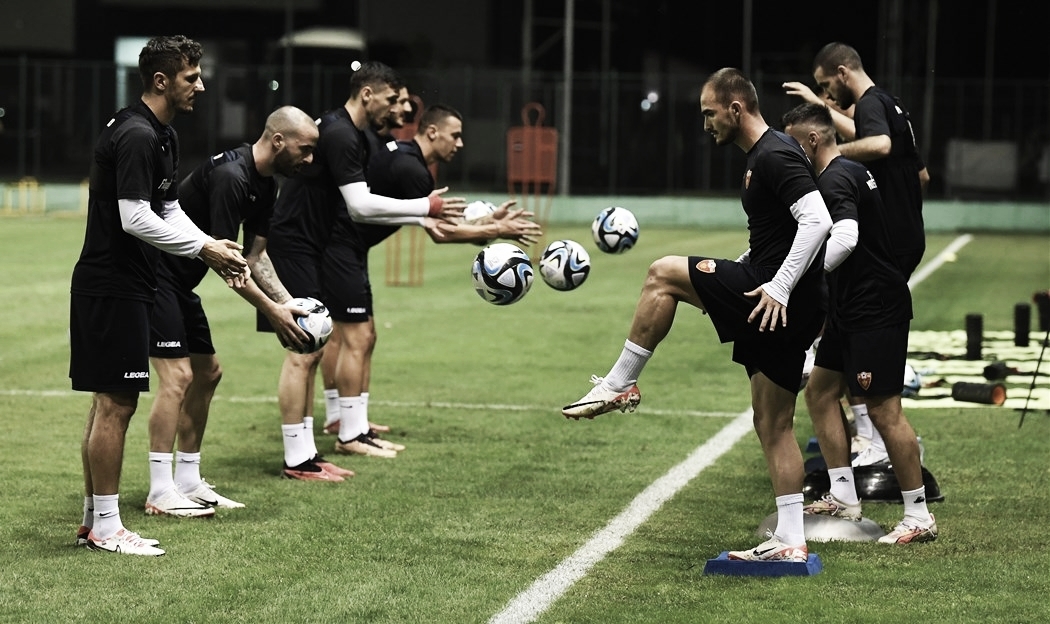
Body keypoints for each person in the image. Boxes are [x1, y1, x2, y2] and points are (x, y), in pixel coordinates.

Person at [562, 68, 831, 562]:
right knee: (772, 423)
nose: (705, 123)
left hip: (771, 300)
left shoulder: (773, 152)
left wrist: (779, 285)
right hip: (780, 302)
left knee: (662, 274)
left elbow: (819, 221)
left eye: (709, 112)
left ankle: (621, 381)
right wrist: (765, 273)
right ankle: (791, 540)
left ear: (735, 108)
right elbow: (778, 234)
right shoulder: (762, 157)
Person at [69, 35, 248, 556]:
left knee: (110, 401)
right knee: (116, 403)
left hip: (131, 284)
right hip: (111, 284)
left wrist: (206, 243)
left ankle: (93, 520)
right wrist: (205, 249)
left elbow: (166, 210)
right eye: (192, 76)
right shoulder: (137, 135)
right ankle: (105, 526)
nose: (202, 85)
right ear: (161, 80)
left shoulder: (161, 135)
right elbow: (134, 216)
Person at [263, 61, 464, 481]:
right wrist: (425, 207)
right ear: (368, 95)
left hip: (311, 244)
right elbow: (360, 205)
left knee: (315, 346)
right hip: (294, 241)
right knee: (305, 349)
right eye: (392, 99)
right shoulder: (339, 133)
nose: (399, 108)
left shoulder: (352, 134)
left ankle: (309, 452)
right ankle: (298, 459)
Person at [320, 104, 543, 457]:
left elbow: (431, 223)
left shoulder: (403, 155)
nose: (460, 143)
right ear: (433, 132)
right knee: (358, 338)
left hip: (345, 246)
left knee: (361, 336)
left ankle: (348, 422)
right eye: (455, 135)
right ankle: (350, 435)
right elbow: (440, 232)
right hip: (339, 248)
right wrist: (498, 229)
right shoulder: (413, 170)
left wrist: (487, 226)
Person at [142, 106, 323, 517]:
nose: (309, 159)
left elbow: (256, 257)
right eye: (306, 149)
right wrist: (275, 311)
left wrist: (291, 303)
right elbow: (229, 266)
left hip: (179, 283)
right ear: (279, 141)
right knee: (178, 378)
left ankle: (188, 481)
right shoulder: (231, 177)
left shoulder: (266, 184)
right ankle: (159, 490)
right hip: (153, 277)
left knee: (208, 372)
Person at [782, 102, 937, 543]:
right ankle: (844, 496)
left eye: (793, 143)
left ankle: (918, 515)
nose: (788, 153)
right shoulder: (847, 171)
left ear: (812, 140)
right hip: (850, 308)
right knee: (820, 392)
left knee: (886, 411)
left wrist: (795, 281)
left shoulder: (834, 177)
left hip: (875, 308)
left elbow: (846, 237)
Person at [788, 42, 929, 465]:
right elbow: (921, 174)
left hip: (884, 250)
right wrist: (822, 110)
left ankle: (871, 437)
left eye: (825, 83)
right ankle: (869, 434)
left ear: (843, 72)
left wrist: (828, 153)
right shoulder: (890, 103)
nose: (826, 92)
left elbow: (879, 144)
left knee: (852, 327)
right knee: (841, 334)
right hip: (904, 238)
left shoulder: (870, 104)